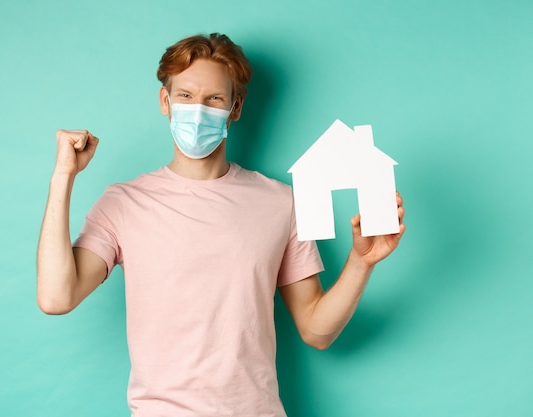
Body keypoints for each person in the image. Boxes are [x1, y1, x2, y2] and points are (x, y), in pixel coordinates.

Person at [37, 33, 405, 417]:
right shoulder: (123, 204)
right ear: (165, 101)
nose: (198, 110)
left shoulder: (281, 202)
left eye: (214, 98)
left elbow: (316, 329)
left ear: (236, 107)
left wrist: (362, 262)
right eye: (185, 96)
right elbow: (56, 297)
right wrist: (63, 176)